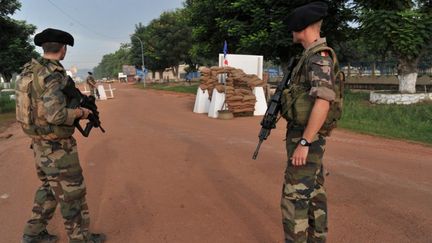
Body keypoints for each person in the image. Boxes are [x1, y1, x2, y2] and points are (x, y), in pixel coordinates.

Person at [17, 28, 106, 243]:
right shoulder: (52, 75)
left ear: (44, 48)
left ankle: (33, 234)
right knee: (72, 194)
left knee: (49, 189)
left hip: (39, 144)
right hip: (57, 147)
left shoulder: (30, 71)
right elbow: (55, 114)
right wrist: (81, 113)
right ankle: (81, 239)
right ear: (63, 49)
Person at [279, 2, 340, 242]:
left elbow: (323, 101)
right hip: (305, 134)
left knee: (294, 198)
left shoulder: (318, 57)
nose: (291, 31)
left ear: (301, 27)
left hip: (308, 137)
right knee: (314, 192)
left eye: (293, 26)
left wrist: (304, 141)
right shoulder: (307, 56)